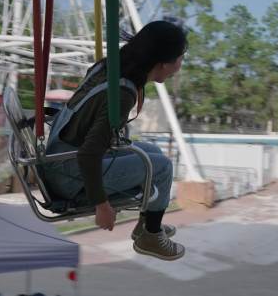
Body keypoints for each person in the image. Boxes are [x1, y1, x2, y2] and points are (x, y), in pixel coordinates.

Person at [42, 20, 186, 261]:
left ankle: (148, 224)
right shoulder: (122, 93)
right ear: (163, 62)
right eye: (180, 58)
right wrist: (102, 206)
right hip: (69, 175)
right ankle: (151, 235)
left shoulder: (109, 67)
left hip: (60, 156)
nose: (179, 66)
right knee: (162, 167)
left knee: (152, 151)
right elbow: (88, 154)